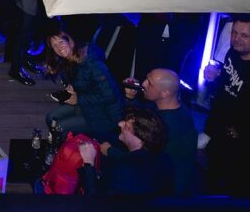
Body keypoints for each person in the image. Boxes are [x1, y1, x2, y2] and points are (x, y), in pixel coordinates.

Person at [104, 68, 197, 196]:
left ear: (165, 93)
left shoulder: (167, 125)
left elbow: (143, 159)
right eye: (147, 78)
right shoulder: (168, 106)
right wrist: (130, 98)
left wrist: (110, 151)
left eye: (150, 83)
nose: (143, 83)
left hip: (167, 187)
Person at [44, 25, 124, 143]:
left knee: (60, 127)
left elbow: (110, 96)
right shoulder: (69, 60)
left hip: (105, 115)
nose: (59, 47)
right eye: (54, 45)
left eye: (61, 41)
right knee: (50, 118)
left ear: (70, 40)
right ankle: (62, 148)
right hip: (87, 105)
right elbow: (79, 81)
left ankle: (67, 153)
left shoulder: (92, 62)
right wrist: (68, 84)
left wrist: (78, 99)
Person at [203, 14, 250, 195]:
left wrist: (241, 132)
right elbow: (227, 86)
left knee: (236, 186)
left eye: (244, 36)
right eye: (235, 33)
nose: (236, 39)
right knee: (213, 177)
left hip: (239, 141)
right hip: (220, 128)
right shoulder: (233, 52)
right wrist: (216, 76)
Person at [76, 108, 173, 195]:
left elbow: (95, 202)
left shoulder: (123, 171)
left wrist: (89, 163)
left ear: (140, 137)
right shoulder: (164, 160)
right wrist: (110, 151)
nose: (120, 124)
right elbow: (134, 160)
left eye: (127, 126)